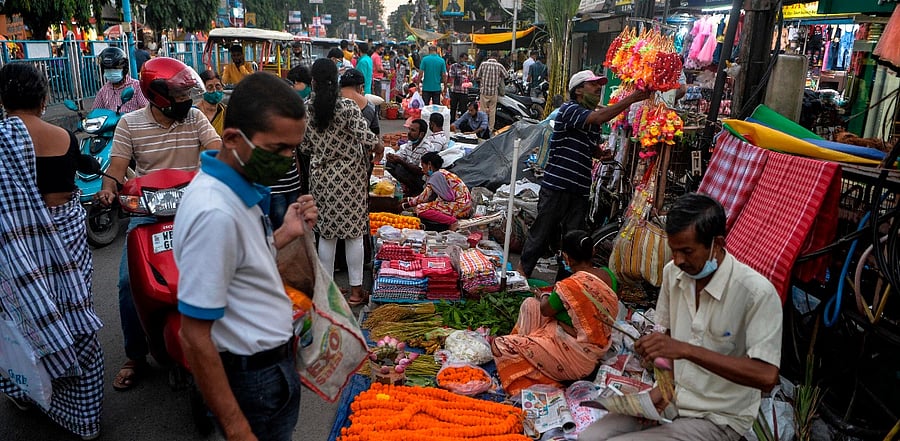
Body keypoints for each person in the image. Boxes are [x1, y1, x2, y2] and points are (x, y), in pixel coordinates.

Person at [175, 72, 318, 441]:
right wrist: (238, 428)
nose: (288, 161)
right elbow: (194, 336)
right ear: (233, 139)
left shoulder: (241, 191)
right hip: (249, 380)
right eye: (277, 150)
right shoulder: (215, 212)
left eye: (293, 150)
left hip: (271, 370)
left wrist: (286, 232)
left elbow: (243, 267)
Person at [580, 193, 782, 441]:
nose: (678, 260)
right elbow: (667, 347)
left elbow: (766, 377)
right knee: (589, 437)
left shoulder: (755, 293)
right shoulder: (673, 274)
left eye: (687, 251)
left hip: (718, 418)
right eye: (674, 251)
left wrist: (686, 350)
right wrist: (661, 389)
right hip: (673, 401)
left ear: (717, 244)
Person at [96, 57, 221, 392]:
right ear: (159, 95)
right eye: (180, 95)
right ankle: (135, 355)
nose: (186, 100)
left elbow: (217, 150)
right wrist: (108, 190)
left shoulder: (195, 118)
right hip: (149, 213)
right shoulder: (130, 124)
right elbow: (118, 167)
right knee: (127, 283)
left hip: (193, 211)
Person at [0, 62, 104, 441]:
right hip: (67, 234)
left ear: (3, 99)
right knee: (74, 309)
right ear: (44, 99)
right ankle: (83, 411)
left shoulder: (2, 140)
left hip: (17, 245)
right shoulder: (62, 136)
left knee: (24, 316)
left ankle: (28, 388)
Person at [517, 70, 650, 279]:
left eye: (599, 85)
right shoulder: (570, 109)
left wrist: (600, 154)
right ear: (578, 90)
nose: (598, 89)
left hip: (579, 188)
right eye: (593, 84)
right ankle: (522, 273)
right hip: (557, 186)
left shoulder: (591, 121)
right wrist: (632, 98)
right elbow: (599, 116)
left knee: (573, 238)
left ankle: (566, 283)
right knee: (541, 232)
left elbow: (590, 146)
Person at [493, 230, 618, 396]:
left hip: (577, 357)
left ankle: (549, 383)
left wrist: (543, 295)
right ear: (593, 252)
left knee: (499, 345)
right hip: (591, 346)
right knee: (530, 304)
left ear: (567, 258)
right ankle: (532, 355)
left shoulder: (570, 286)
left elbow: (545, 310)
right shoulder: (608, 275)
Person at [298, 59, 380, 307]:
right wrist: (379, 145)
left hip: (321, 177)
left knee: (326, 234)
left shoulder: (306, 108)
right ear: (336, 81)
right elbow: (366, 137)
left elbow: (304, 146)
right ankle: (356, 293)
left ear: (313, 82)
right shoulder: (347, 107)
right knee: (354, 234)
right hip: (350, 177)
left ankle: (327, 292)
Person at [401, 152, 471, 230]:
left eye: (423, 167)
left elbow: (423, 198)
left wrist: (405, 205)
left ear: (429, 165)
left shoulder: (436, 176)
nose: (422, 170)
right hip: (464, 203)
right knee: (430, 204)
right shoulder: (443, 173)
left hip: (460, 205)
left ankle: (452, 221)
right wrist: (408, 199)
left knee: (421, 208)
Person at [385, 118, 436, 197]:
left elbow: (420, 171)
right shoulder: (410, 143)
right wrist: (393, 158)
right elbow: (401, 156)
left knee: (400, 170)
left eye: (413, 130)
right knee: (389, 164)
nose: (409, 133)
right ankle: (405, 187)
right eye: (409, 129)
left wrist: (400, 161)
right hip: (409, 171)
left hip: (420, 178)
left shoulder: (427, 148)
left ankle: (414, 191)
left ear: (421, 134)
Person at [92, 46, 149, 114]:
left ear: (124, 69)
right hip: (110, 124)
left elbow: (145, 109)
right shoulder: (103, 90)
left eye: (115, 69)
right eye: (108, 70)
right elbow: (95, 112)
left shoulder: (137, 86)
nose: (111, 73)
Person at [475, 55, 506, 129]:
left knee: (482, 110)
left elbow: (477, 75)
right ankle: (490, 128)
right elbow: (506, 75)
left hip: (484, 91)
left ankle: (482, 127)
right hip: (493, 92)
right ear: (496, 58)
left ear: (490, 57)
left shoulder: (483, 64)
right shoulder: (499, 66)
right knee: (492, 112)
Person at [197, 69, 226, 135]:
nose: (215, 91)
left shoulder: (225, 112)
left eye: (218, 87)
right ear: (202, 90)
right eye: (210, 88)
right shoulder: (195, 113)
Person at [448, 52, 472, 121]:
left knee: (463, 109)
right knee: (453, 108)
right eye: (464, 59)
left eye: (466, 59)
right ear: (460, 58)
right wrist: (459, 73)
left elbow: (471, 78)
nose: (465, 61)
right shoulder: (453, 66)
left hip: (464, 91)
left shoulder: (468, 67)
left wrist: (469, 76)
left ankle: (462, 123)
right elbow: (451, 76)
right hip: (455, 90)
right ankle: (452, 122)